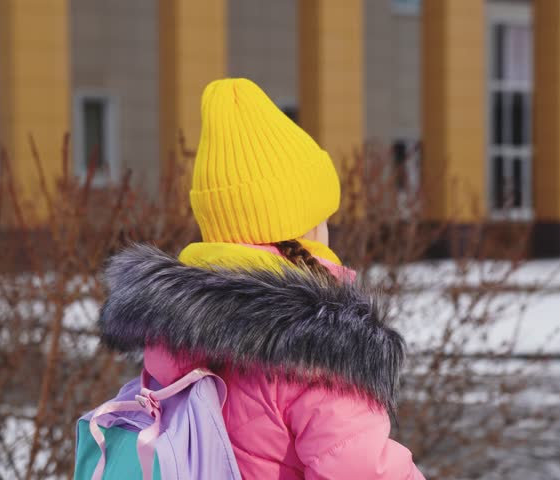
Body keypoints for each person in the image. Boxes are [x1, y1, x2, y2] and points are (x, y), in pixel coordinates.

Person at [99, 78, 425, 479]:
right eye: (322, 218)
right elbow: (363, 469)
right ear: (301, 229)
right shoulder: (318, 347)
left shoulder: (174, 337)